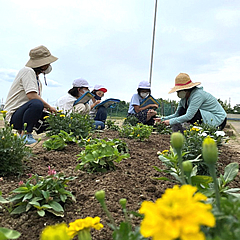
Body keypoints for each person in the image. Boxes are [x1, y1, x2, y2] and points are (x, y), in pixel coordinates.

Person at [4, 45, 58, 145]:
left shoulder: (36, 78)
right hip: (13, 116)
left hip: (21, 113)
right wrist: (50, 107)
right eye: (48, 62)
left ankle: (23, 135)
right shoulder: (27, 71)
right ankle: (25, 135)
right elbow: (32, 96)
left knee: (50, 118)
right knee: (37, 103)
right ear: (42, 64)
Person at [155, 73, 227, 132]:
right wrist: (163, 119)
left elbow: (189, 115)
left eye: (179, 91)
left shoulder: (198, 95)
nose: (178, 93)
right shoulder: (184, 99)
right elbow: (177, 114)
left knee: (192, 113)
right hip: (205, 117)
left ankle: (190, 130)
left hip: (218, 120)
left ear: (186, 89)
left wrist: (170, 122)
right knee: (182, 110)